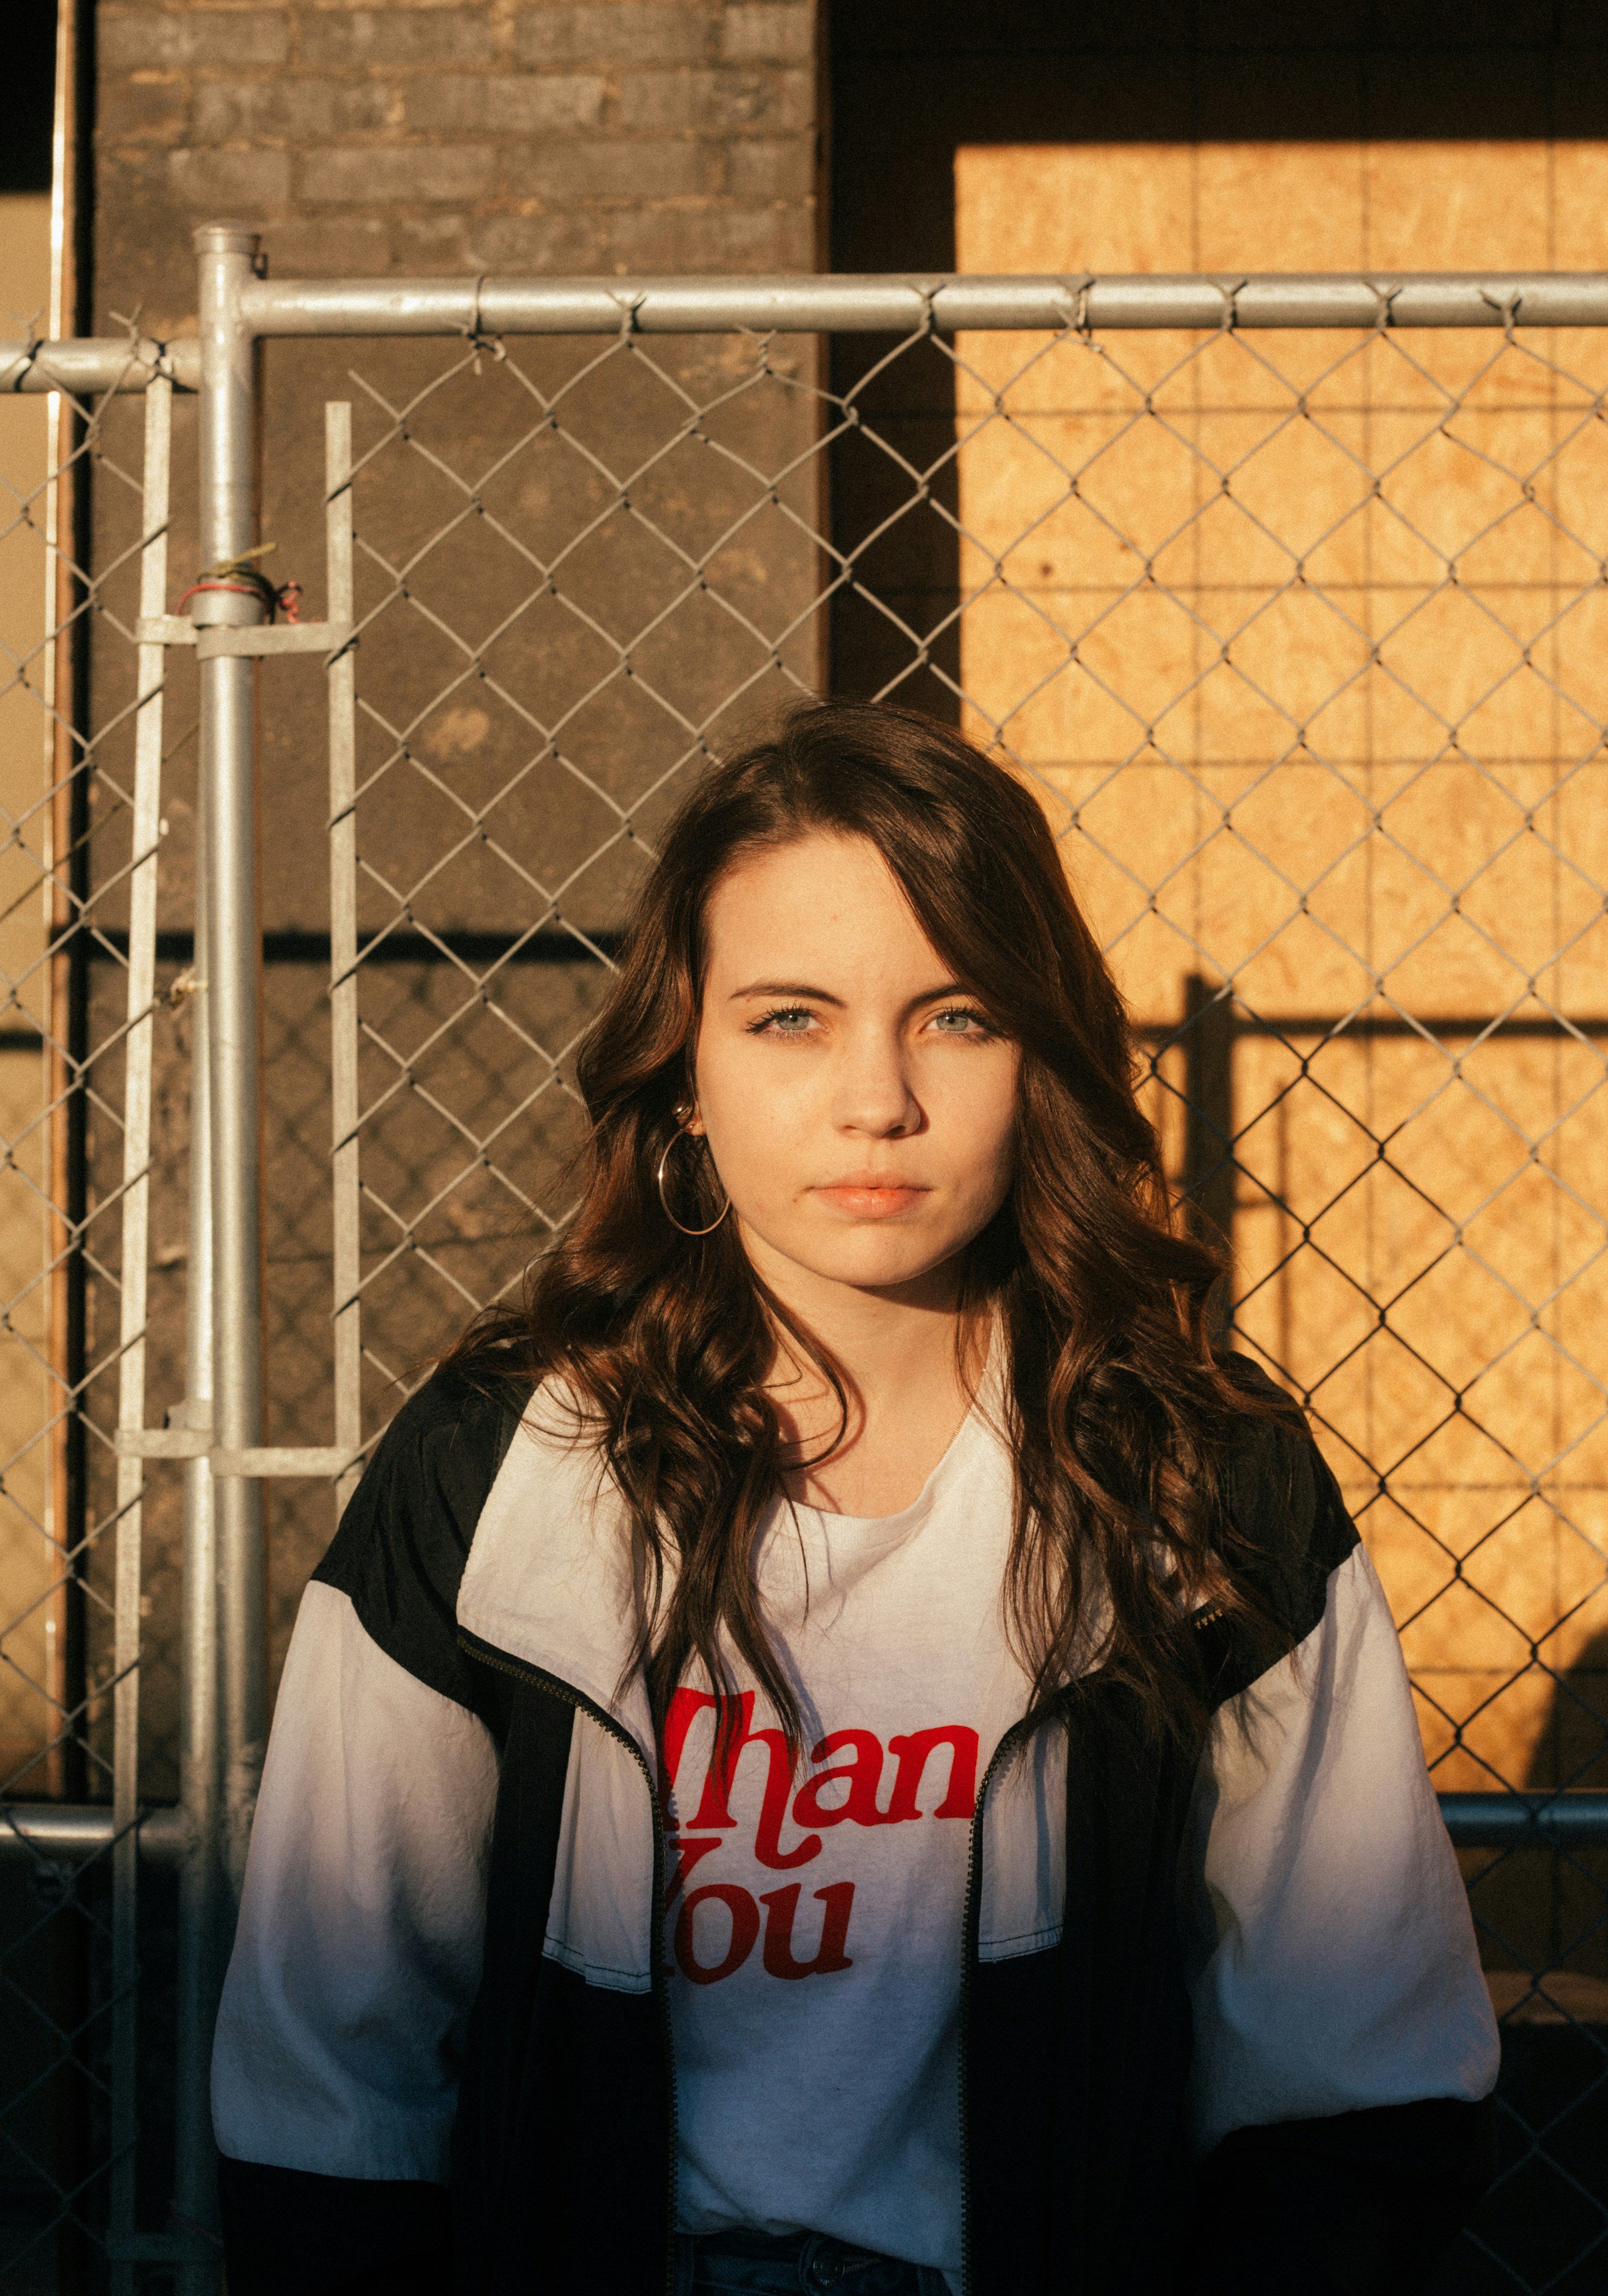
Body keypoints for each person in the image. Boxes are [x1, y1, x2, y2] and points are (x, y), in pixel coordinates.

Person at [212, 701, 1498, 2296]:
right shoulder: (502, 1473)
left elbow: (1360, 2072)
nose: (877, 1099)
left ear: (1044, 1055)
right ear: (683, 1071)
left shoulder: (1197, 1491)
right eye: (791, 1020)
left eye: (956, 1017)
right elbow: (328, 2075)